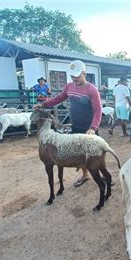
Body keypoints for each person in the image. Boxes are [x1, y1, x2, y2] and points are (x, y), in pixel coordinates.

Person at [36, 60, 102, 188]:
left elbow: (98, 111)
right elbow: (59, 98)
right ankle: (85, 175)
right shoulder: (69, 86)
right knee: (79, 153)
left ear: (84, 73)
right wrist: (44, 104)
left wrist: (93, 128)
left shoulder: (92, 90)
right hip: (75, 125)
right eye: (72, 76)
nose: (74, 78)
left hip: (89, 127)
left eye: (77, 75)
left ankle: (102, 174)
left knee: (94, 153)